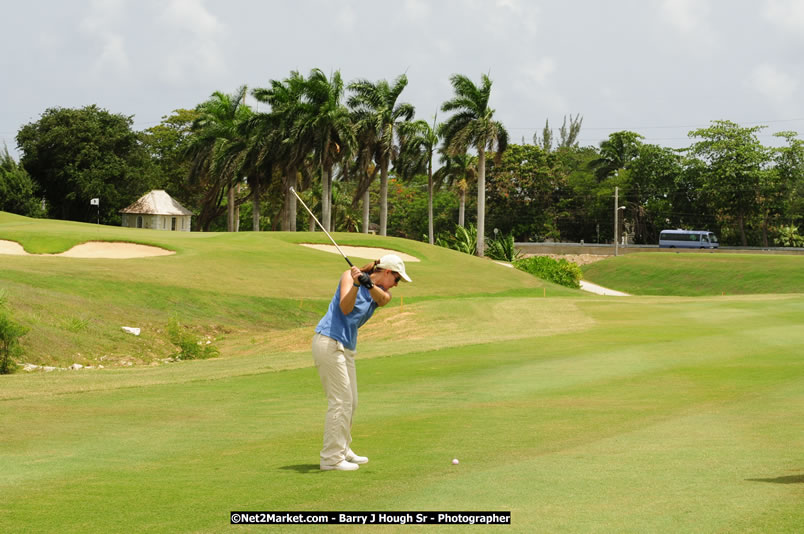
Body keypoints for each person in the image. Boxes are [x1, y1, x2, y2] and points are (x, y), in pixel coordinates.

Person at [312, 253, 412, 471]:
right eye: (397, 279)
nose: (396, 284)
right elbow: (345, 308)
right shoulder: (349, 276)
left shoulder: (383, 293)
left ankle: (343, 449)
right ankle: (331, 458)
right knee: (341, 401)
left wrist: (368, 284)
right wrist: (357, 284)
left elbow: (382, 300)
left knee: (352, 401)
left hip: (346, 347)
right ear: (387, 272)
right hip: (329, 341)